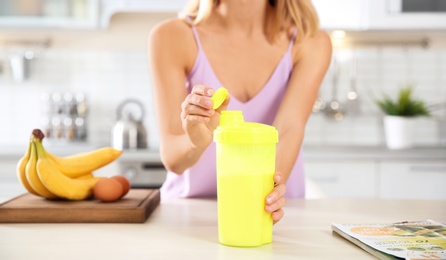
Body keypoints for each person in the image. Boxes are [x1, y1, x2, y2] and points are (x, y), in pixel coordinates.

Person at [148, 0, 332, 224]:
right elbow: (173, 160)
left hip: (271, 212)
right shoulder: (171, 36)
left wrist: (262, 197)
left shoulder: (310, 41)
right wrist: (196, 141)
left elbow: (289, 129)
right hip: (189, 215)